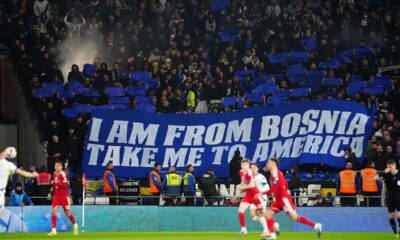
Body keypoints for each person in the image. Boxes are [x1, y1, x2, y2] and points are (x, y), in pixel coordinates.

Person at [260, 158, 322, 240]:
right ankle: (272, 234)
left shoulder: (276, 174)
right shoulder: (274, 175)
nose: (267, 164)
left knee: (294, 217)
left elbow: (275, 188)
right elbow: (284, 184)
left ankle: (316, 225)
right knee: (268, 215)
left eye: (268, 162)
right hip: (279, 200)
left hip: (284, 199)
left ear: (273, 164)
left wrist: (262, 193)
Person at [236, 159, 268, 237]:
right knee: (243, 212)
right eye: (242, 164)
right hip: (248, 195)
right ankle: (243, 229)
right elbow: (243, 182)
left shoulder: (254, 174)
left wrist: (242, 187)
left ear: (248, 165)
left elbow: (253, 185)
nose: (243, 166)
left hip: (257, 196)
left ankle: (268, 228)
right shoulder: (241, 172)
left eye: (245, 165)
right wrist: (241, 188)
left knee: (262, 214)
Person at [0, 147, 38, 212]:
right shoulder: (7, 164)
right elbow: (22, 172)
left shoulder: (7, 164)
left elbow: (27, 199)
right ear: (3, 153)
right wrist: (32, 174)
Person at [47, 161, 78, 236]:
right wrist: (51, 192)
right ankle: (54, 230)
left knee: (67, 213)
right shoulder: (54, 173)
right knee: (54, 211)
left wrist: (55, 183)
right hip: (56, 196)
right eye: (56, 165)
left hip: (64, 196)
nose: (57, 167)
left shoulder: (63, 174)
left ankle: (75, 224)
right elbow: (54, 185)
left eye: (58, 166)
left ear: (61, 167)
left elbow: (64, 185)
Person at [248, 163, 280, 236]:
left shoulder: (261, 177)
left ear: (257, 169)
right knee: (252, 215)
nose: (252, 169)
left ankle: (266, 230)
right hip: (253, 198)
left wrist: (260, 193)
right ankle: (274, 224)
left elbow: (267, 188)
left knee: (261, 214)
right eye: (251, 168)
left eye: (254, 168)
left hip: (261, 197)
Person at [376, 160, 400, 239]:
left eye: (391, 167)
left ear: (395, 166)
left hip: (399, 197)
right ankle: (395, 233)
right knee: (391, 216)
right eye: (388, 167)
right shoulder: (386, 175)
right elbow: (375, 178)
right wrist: (383, 172)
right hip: (390, 198)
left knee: (399, 216)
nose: (390, 169)